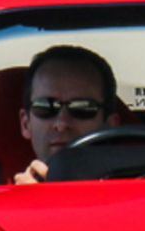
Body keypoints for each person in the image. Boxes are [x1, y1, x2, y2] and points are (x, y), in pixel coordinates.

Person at [14, 45, 121, 184]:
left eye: (82, 108)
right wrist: (28, 201)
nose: (62, 123)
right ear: (25, 124)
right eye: (46, 107)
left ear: (110, 126)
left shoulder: (143, 188)